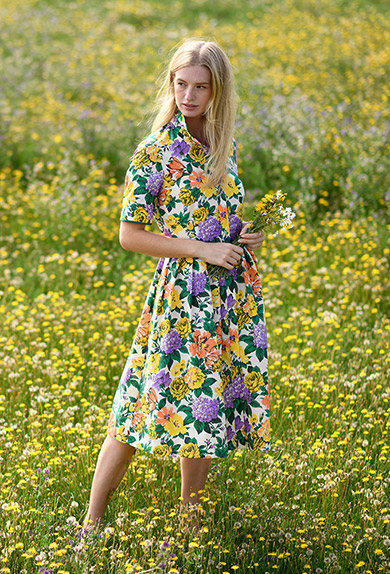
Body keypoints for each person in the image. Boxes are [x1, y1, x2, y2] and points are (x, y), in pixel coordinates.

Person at [83, 38, 270, 530]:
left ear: (218, 91)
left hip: (226, 297)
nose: (189, 95)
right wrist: (202, 249)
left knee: (205, 414)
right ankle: (91, 523)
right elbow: (130, 235)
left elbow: (212, 217)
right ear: (171, 83)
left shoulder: (225, 144)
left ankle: (190, 524)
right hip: (180, 297)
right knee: (137, 409)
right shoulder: (156, 151)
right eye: (181, 84)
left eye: (201, 87)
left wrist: (240, 237)